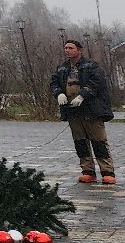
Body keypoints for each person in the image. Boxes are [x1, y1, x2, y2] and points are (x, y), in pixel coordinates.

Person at [50, 38, 116, 185]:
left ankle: (107, 172)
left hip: (91, 110)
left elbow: (97, 82)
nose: (67, 50)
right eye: (66, 48)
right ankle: (88, 171)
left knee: (98, 141)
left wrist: (83, 95)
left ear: (79, 50)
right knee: (80, 142)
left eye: (71, 48)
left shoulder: (91, 66)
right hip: (72, 111)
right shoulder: (62, 67)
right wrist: (58, 93)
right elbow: (54, 82)